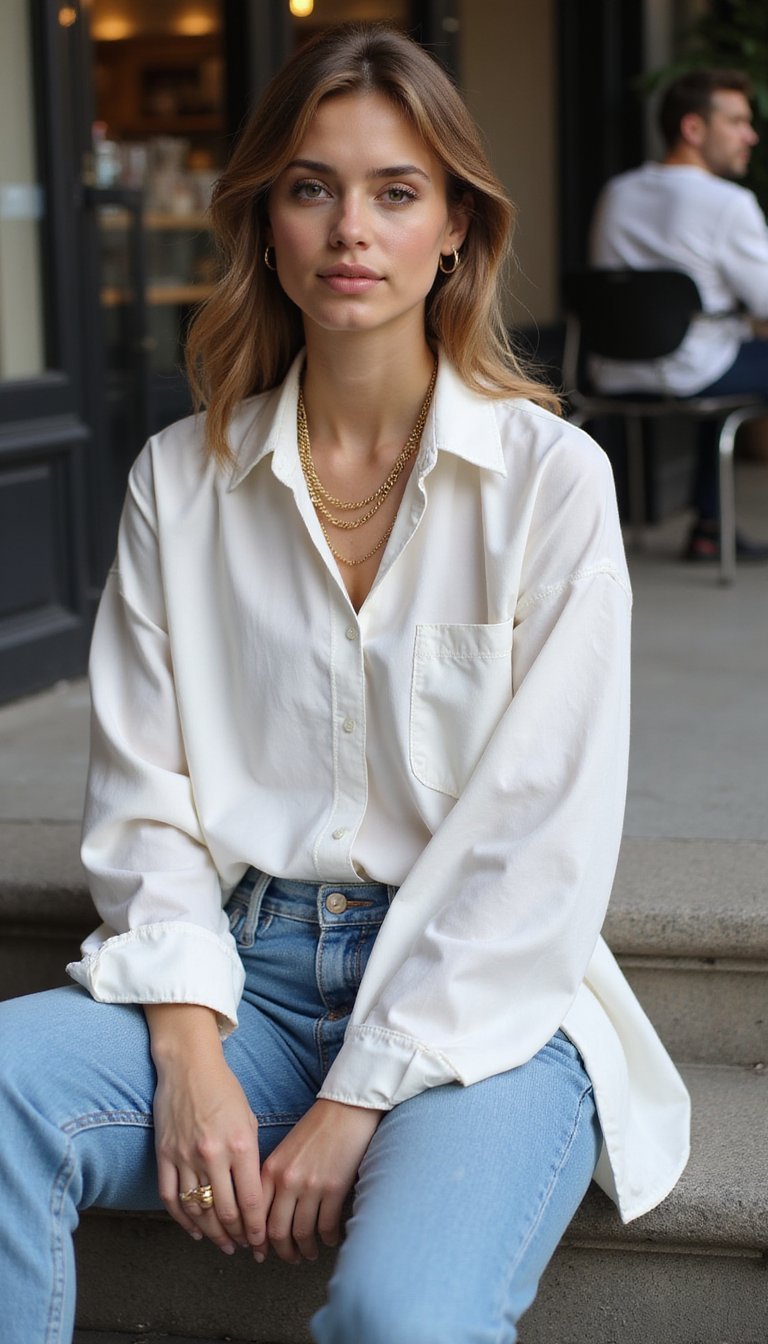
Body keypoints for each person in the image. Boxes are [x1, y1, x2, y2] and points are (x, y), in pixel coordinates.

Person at [0, 24, 690, 1344]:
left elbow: (534, 844)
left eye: (395, 191)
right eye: (311, 188)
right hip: (242, 978)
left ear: (455, 231)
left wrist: (359, 1097)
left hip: (480, 999)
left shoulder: (552, 485)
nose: (349, 230)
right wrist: (190, 1048)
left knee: (400, 1313)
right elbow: (145, 799)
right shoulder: (179, 483)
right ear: (266, 225)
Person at [590, 67, 768, 562]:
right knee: (730, 362)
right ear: (693, 129)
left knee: (725, 358)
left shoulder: (618, 192)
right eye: (736, 121)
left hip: (613, 370)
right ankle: (710, 524)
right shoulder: (730, 204)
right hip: (695, 370)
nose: (749, 135)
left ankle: (711, 527)